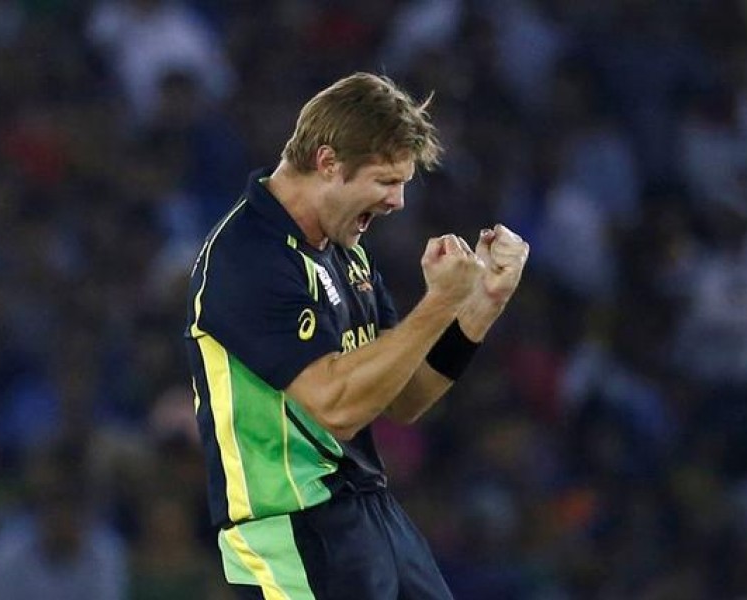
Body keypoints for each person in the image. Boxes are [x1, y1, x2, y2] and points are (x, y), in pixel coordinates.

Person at [184, 72, 529, 599]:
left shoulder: (346, 253)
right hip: (291, 526)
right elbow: (337, 406)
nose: (398, 202)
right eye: (386, 181)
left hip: (369, 510)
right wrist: (439, 303)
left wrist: (482, 303)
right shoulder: (246, 255)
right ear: (328, 162)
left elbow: (405, 398)